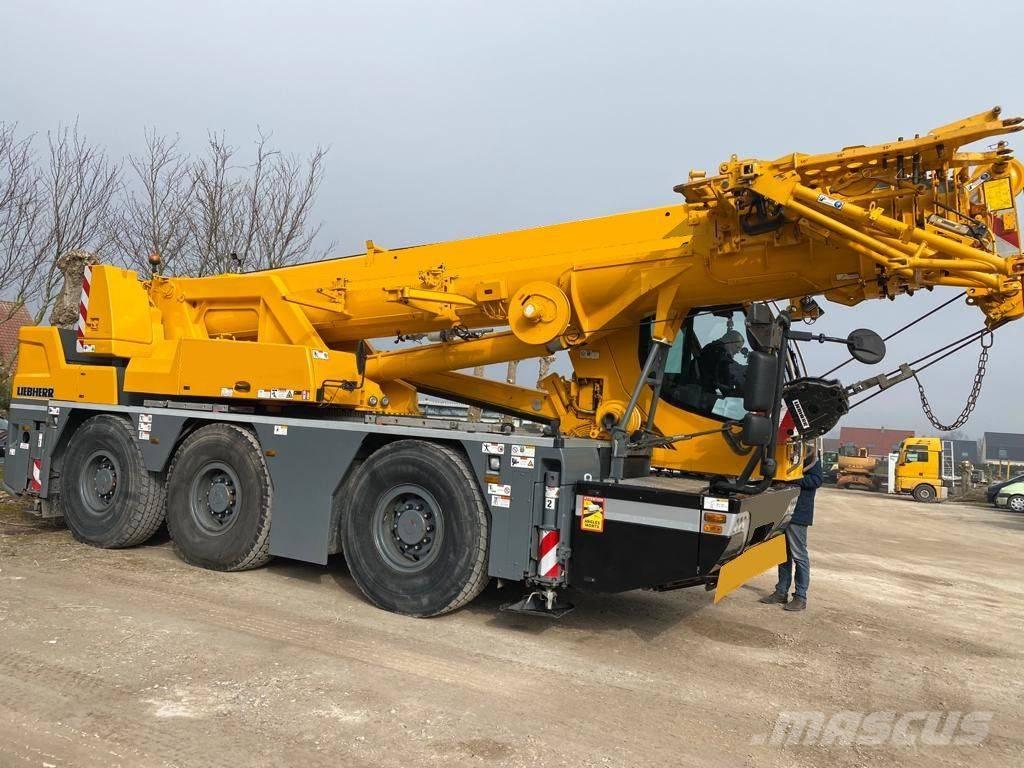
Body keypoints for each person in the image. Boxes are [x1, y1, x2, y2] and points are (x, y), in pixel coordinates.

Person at [761, 455, 822, 611]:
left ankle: (800, 597)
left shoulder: (810, 457)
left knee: (799, 555)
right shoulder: (785, 454)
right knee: (782, 555)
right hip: (782, 511)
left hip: (798, 514)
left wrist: (790, 479)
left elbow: (816, 480)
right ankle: (781, 592)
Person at [697, 329, 747, 409]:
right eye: (737, 347)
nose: (738, 351)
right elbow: (726, 384)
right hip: (703, 398)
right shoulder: (719, 353)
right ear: (729, 342)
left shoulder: (711, 348)